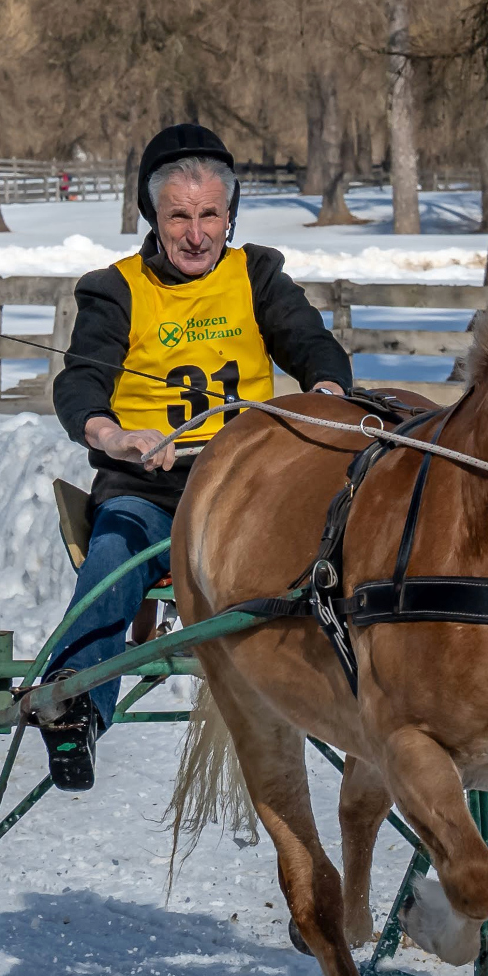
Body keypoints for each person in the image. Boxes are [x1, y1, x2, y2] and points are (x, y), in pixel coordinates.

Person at [40, 123, 352, 791]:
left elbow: (310, 344)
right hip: (152, 489)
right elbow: (79, 384)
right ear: (151, 217)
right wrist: (112, 434)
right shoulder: (114, 289)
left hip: (253, 485)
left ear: (229, 215)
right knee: (113, 552)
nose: (196, 233)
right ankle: (74, 702)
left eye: (210, 214)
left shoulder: (256, 274)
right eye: (179, 216)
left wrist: (326, 389)